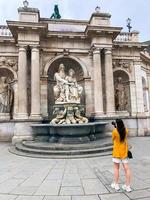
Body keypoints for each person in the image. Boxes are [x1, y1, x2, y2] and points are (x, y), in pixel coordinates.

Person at [111, 119, 132, 192]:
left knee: (116, 168)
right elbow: (124, 137)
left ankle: (116, 185)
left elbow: (113, 139)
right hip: (124, 152)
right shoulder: (126, 130)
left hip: (117, 152)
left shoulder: (114, 131)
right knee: (127, 169)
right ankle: (128, 186)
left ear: (116, 124)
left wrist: (115, 129)